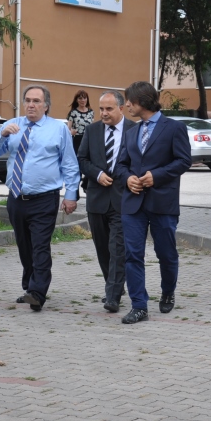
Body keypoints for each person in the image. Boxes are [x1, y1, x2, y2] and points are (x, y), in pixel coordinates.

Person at [0, 85, 79, 312]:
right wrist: (2, 134)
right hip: (16, 197)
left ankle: (37, 293)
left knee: (40, 246)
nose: (31, 105)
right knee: (24, 246)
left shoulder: (58, 129)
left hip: (44, 199)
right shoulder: (13, 125)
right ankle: (29, 287)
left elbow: (69, 164)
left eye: (36, 101)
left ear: (46, 105)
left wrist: (71, 195)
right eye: (27, 100)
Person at [113, 81, 191, 324]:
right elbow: (120, 165)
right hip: (133, 204)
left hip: (163, 203)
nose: (126, 105)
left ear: (143, 101)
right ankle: (139, 306)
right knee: (133, 255)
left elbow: (183, 161)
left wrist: (156, 176)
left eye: (130, 100)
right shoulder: (130, 132)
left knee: (165, 253)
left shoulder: (174, 128)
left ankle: (168, 291)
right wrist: (128, 179)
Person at [78, 90, 135, 313]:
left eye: (109, 109)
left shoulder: (134, 130)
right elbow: (82, 159)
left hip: (123, 199)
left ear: (121, 108)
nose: (103, 113)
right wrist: (98, 174)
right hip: (97, 198)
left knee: (118, 248)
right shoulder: (91, 130)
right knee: (103, 249)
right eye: (101, 109)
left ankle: (112, 295)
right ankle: (114, 284)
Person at [67, 90, 94, 189]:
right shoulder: (73, 112)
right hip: (77, 140)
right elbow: (68, 129)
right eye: (80, 98)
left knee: (89, 163)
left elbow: (92, 127)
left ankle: (85, 184)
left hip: (88, 140)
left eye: (84, 98)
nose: (83, 100)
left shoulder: (91, 112)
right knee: (77, 165)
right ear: (77, 100)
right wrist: (71, 132)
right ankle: (75, 191)